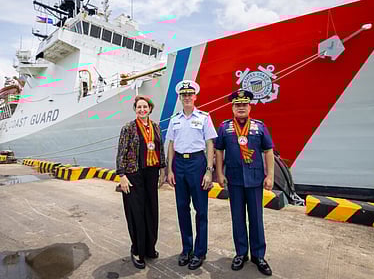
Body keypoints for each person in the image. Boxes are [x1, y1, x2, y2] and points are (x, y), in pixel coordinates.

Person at [214, 89, 275, 276]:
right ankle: (241, 253)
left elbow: (268, 151)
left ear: (250, 107)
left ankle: (258, 255)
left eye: (244, 105)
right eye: (237, 105)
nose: (241, 108)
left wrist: (270, 175)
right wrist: (219, 174)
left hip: (255, 179)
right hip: (234, 179)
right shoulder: (224, 128)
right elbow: (218, 151)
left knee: (256, 218)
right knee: (238, 218)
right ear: (232, 108)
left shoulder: (259, 127)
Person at [166, 80, 218, 270]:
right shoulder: (175, 119)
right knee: (182, 209)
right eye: (183, 95)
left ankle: (200, 252)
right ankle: (186, 249)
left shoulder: (204, 117)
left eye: (190, 94)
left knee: (201, 210)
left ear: (195, 96)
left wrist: (209, 171)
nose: (187, 97)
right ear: (180, 98)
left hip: (197, 163)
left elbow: (210, 144)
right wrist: (169, 169)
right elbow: (171, 145)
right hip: (179, 164)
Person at [116, 95, 166, 269]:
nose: (142, 110)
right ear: (135, 109)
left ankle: (150, 248)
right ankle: (137, 250)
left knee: (152, 211)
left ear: (150, 109)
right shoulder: (128, 128)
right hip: (133, 175)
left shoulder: (156, 127)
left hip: (151, 174)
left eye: (145, 107)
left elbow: (160, 149)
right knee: (136, 213)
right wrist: (122, 175)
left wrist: (163, 170)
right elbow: (121, 152)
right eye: (139, 107)